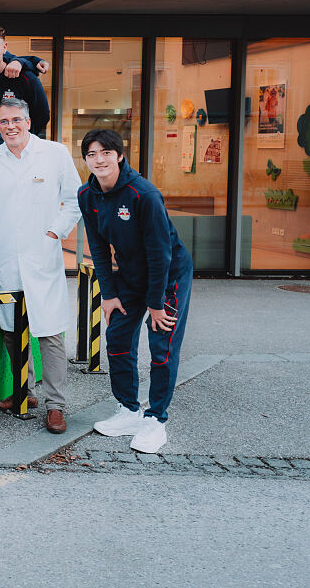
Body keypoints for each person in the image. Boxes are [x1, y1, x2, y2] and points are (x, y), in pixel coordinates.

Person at [78, 129, 193, 454]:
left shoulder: (144, 194)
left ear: (120, 156)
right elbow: (98, 249)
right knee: (116, 338)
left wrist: (156, 304)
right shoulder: (87, 195)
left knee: (162, 346)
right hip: (128, 274)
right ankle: (129, 409)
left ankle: (156, 420)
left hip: (168, 275)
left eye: (105, 153)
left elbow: (161, 253)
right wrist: (110, 293)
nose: (98, 160)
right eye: (91, 154)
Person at [0, 97, 81, 434]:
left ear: (29, 121)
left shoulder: (55, 154)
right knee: (9, 329)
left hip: (42, 257)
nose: (11, 126)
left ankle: (56, 406)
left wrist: (54, 232)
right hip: (4, 260)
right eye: (4, 122)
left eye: (16, 120)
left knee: (49, 332)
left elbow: (76, 199)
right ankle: (26, 391)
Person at [0, 24, 51, 148]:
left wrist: (21, 140)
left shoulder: (26, 78)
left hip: (18, 151)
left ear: (4, 47)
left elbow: (42, 115)